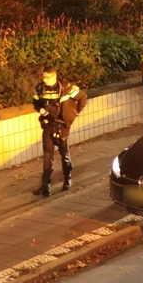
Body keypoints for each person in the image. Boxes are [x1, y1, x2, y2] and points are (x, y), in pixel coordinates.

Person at [31, 67, 88, 197]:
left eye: (47, 77)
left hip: (62, 125)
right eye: (43, 77)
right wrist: (39, 109)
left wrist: (75, 113)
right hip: (48, 124)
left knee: (64, 153)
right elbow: (35, 102)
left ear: (54, 76)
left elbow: (82, 97)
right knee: (47, 155)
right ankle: (45, 185)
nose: (44, 80)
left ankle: (67, 178)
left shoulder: (66, 88)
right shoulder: (40, 88)